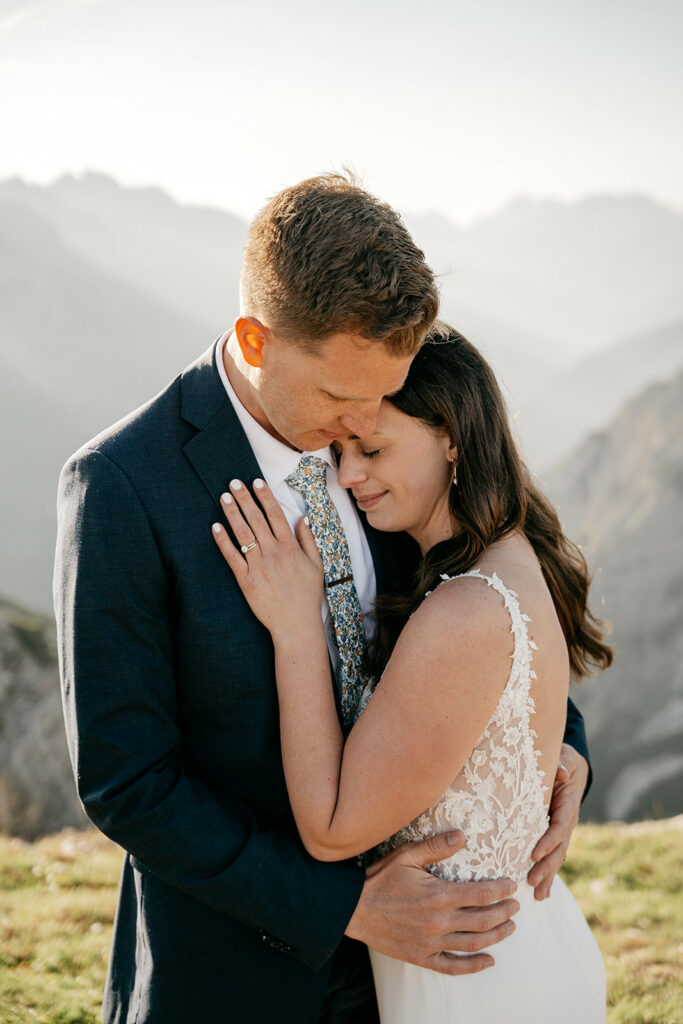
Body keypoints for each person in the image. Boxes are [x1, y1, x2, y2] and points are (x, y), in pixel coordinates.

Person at [55, 174, 592, 1024]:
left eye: (384, 395)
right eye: (341, 397)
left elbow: (483, 606)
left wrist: (559, 751)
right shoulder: (124, 484)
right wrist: (339, 907)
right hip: (238, 980)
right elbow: (128, 783)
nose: (361, 425)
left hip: (429, 972)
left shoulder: (390, 459)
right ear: (255, 340)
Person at [211, 323, 611, 1022]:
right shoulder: (503, 560)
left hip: (475, 987)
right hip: (501, 959)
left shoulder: (463, 609)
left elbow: (334, 829)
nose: (346, 475)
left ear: (451, 436)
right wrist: (560, 757)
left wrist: (296, 626)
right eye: (339, 449)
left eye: (371, 449)